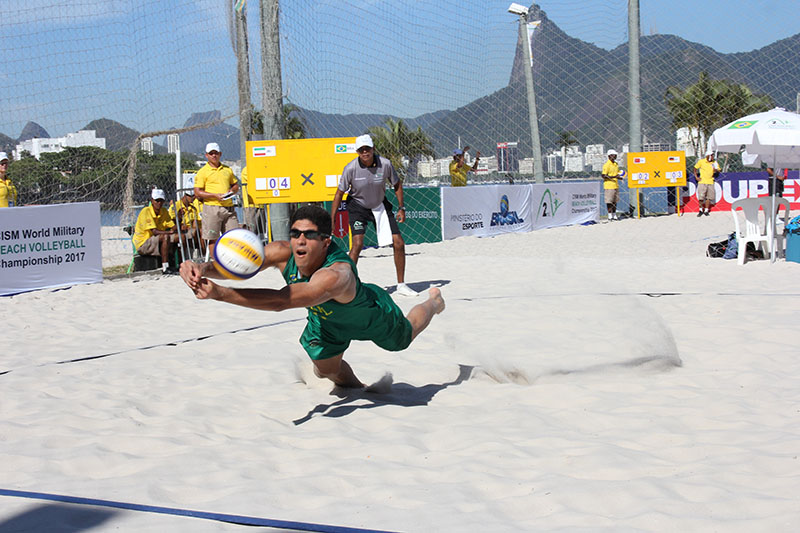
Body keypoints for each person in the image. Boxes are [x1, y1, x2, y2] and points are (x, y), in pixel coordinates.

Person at [179, 205, 445, 389]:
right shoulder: (283, 252)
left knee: (403, 339)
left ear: (326, 241)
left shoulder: (336, 274)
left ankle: (433, 301)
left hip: (368, 315)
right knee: (327, 371)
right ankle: (360, 389)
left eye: (309, 235)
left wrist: (221, 294)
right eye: (295, 234)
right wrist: (201, 268)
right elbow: (236, 265)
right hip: (325, 322)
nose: (300, 241)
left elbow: (283, 301)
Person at [330, 134, 417, 297]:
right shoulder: (350, 169)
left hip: (380, 205)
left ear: (373, 149)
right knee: (357, 244)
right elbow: (338, 194)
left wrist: (401, 207)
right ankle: (348, 284)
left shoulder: (385, 164)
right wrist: (333, 218)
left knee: (398, 242)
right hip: (358, 206)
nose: (365, 152)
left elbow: (397, 184)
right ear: (357, 152)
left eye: (367, 149)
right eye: (361, 150)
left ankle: (401, 285)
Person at [194, 142, 240, 249]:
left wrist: (231, 191)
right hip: (212, 208)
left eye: (216, 153)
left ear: (220, 154)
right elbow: (197, 192)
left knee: (233, 237)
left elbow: (235, 185)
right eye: (211, 153)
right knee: (212, 238)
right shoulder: (202, 172)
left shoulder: (227, 169)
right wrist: (214, 195)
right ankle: (214, 263)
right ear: (207, 155)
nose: (214, 156)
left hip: (228, 207)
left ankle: (231, 261)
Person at [133, 189, 179, 274]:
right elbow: (155, 232)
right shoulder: (146, 211)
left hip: (156, 240)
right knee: (165, 237)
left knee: (179, 237)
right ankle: (165, 267)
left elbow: (173, 226)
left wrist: (178, 224)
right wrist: (169, 232)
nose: (159, 203)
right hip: (144, 243)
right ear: (152, 201)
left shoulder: (164, 211)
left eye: (161, 200)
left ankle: (178, 264)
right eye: (157, 200)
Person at [169, 189, 205, 258]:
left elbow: (195, 224)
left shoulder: (193, 208)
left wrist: (191, 228)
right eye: (193, 197)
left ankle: (204, 256)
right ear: (186, 196)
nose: (194, 199)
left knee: (202, 231)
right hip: (180, 231)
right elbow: (172, 224)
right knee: (196, 233)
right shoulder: (175, 206)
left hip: (191, 231)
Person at [693, 149, 721, 217]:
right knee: (701, 197)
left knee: (709, 197)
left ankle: (706, 210)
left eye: (713, 155)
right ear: (708, 156)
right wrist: (696, 177)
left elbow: (719, 170)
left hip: (710, 181)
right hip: (702, 181)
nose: (712, 157)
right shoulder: (701, 162)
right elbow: (695, 168)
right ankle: (700, 210)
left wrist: (716, 170)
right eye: (711, 156)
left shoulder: (714, 163)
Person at [601, 149, 623, 220]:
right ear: (610, 156)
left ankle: (614, 214)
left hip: (615, 185)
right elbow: (604, 175)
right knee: (609, 201)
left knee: (615, 201)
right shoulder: (607, 165)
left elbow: (617, 173)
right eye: (614, 155)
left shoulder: (616, 164)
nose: (615, 156)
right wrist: (614, 177)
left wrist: (619, 177)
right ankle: (610, 214)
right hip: (609, 185)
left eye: (615, 155)